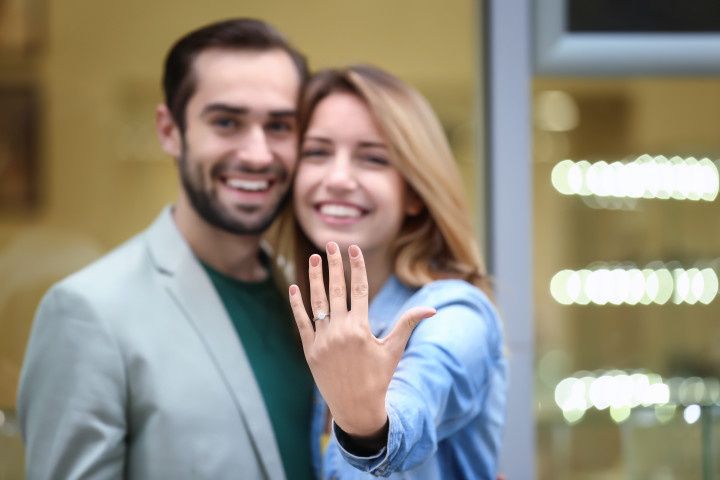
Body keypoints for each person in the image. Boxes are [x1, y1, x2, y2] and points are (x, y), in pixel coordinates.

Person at [17, 18, 315, 479]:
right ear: (169, 130)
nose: (257, 154)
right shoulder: (88, 312)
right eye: (227, 122)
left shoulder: (306, 299)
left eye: (279, 126)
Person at [287, 66, 507, 479]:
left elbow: (422, 390)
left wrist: (367, 424)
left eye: (372, 158)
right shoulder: (299, 316)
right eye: (317, 152)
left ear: (414, 194)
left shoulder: (454, 312)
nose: (337, 178)